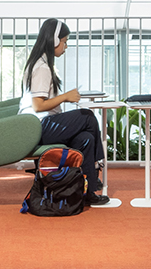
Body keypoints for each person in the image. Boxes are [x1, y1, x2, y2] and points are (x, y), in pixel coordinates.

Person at [20, 19, 108, 205]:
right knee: (88, 116)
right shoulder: (42, 67)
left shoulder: (41, 62)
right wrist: (66, 97)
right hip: (37, 126)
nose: (66, 46)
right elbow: (38, 106)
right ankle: (95, 169)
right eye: (65, 41)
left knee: (86, 139)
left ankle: (86, 191)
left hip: (41, 124)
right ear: (54, 41)